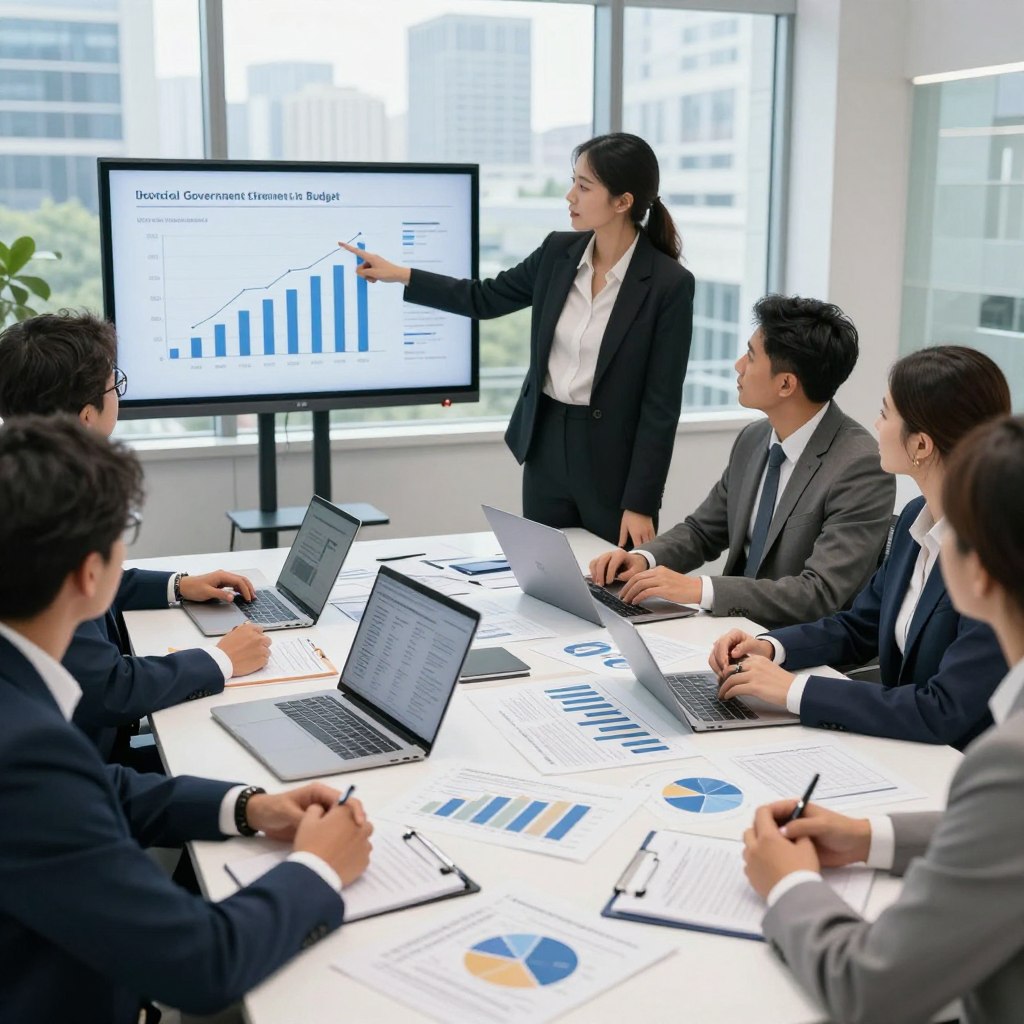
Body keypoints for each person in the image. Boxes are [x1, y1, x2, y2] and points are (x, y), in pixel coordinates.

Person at [0, 415, 374, 1023]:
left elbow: (91, 791)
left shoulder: (25, 718)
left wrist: (249, 806)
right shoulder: (25, 751)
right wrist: (319, 867)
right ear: (90, 574)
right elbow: (203, 964)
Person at [741, 414, 1024, 1024]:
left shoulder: (1011, 759)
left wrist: (789, 885)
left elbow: (870, 989)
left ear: (974, 570)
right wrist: (871, 838)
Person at [340, 132, 694, 548]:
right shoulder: (557, 252)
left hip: (613, 465)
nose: (569, 196)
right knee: (548, 578)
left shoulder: (668, 284)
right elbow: (484, 297)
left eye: (583, 187)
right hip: (546, 449)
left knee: (612, 591)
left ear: (623, 202)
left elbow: (661, 405)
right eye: (573, 182)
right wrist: (402, 274)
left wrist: (641, 501)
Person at [0, 311, 270, 764]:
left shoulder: (23, 486)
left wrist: (177, 585)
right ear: (88, 415)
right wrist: (221, 660)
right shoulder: (50, 510)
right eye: (114, 384)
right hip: (78, 765)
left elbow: (81, 585)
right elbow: (108, 687)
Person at [711, 346, 1009, 749]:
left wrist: (793, 692)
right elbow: (859, 625)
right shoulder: (914, 518)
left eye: (885, 413)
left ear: (920, 445)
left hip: (961, 771)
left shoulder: (996, 557)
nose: (875, 424)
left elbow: (943, 710)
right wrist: (771, 647)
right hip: (902, 748)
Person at [589, 294, 895, 629]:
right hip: (730, 630)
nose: (738, 366)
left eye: (750, 356)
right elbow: (702, 531)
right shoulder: (754, 438)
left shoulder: (860, 466)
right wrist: (643, 559)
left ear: (786, 384)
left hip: (796, 646)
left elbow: (819, 592)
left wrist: (699, 588)